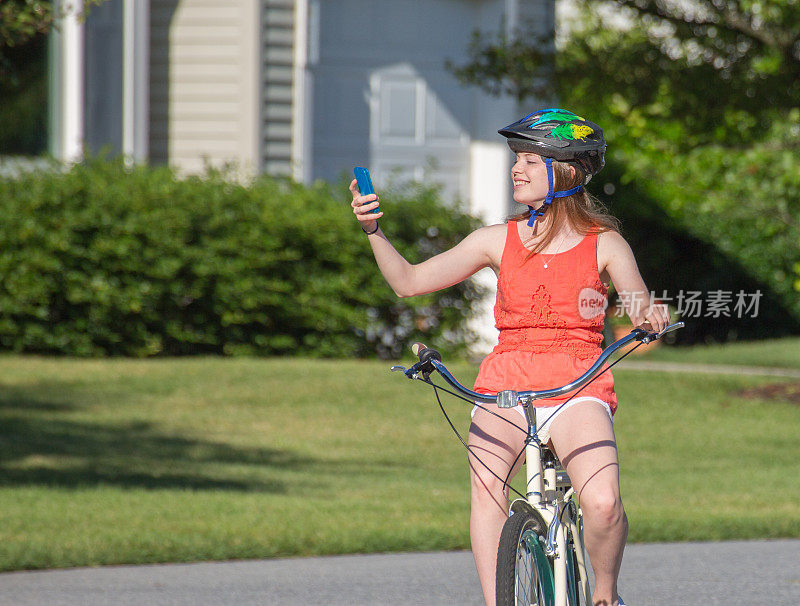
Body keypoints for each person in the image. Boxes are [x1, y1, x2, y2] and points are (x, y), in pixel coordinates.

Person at [349, 108, 669, 606]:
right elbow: (409, 282)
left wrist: (651, 317)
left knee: (603, 505)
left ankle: (604, 595)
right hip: (507, 381)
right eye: (515, 159)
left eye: (528, 160)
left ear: (565, 171)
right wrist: (373, 232)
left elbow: (639, 306)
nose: (515, 169)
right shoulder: (495, 239)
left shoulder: (605, 245)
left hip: (579, 385)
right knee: (487, 487)